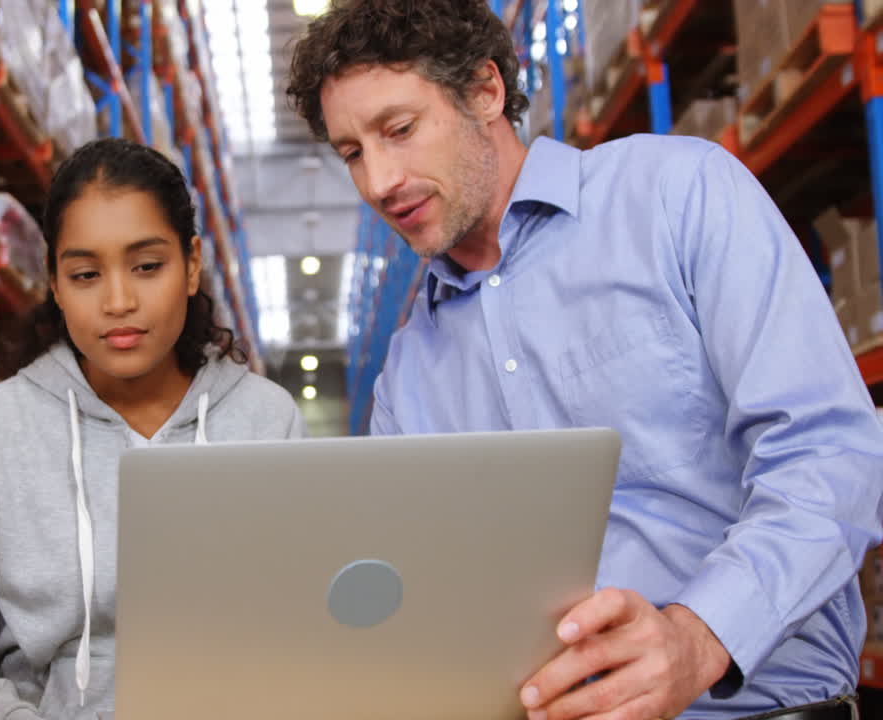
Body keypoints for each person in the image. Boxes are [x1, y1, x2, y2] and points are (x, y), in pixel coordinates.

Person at [286, 1, 883, 719]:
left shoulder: (676, 196)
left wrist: (699, 638)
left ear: (484, 91)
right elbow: (423, 599)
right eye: (353, 152)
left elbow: (829, 449)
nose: (380, 180)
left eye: (400, 130)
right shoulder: (409, 378)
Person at [0, 138, 305, 720]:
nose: (119, 301)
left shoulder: (267, 420)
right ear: (55, 282)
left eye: (147, 267)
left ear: (192, 264)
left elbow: (302, 627)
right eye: (87, 273)